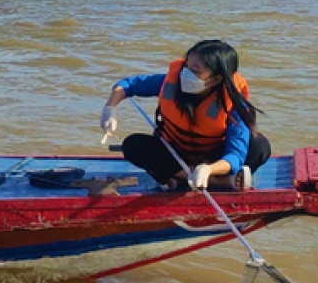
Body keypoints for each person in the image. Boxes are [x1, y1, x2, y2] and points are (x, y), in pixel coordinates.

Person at [100, 39, 270, 191]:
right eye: (187, 66)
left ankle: (187, 178)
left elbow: (235, 155)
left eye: (195, 70)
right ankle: (217, 182)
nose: (186, 73)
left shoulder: (235, 105)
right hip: (176, 153)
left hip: (214, 157)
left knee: (259, 146)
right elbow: (128, 84)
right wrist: (110, 108)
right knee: (133, 145)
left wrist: (208, 169)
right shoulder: (171, 83)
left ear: (216, 79)